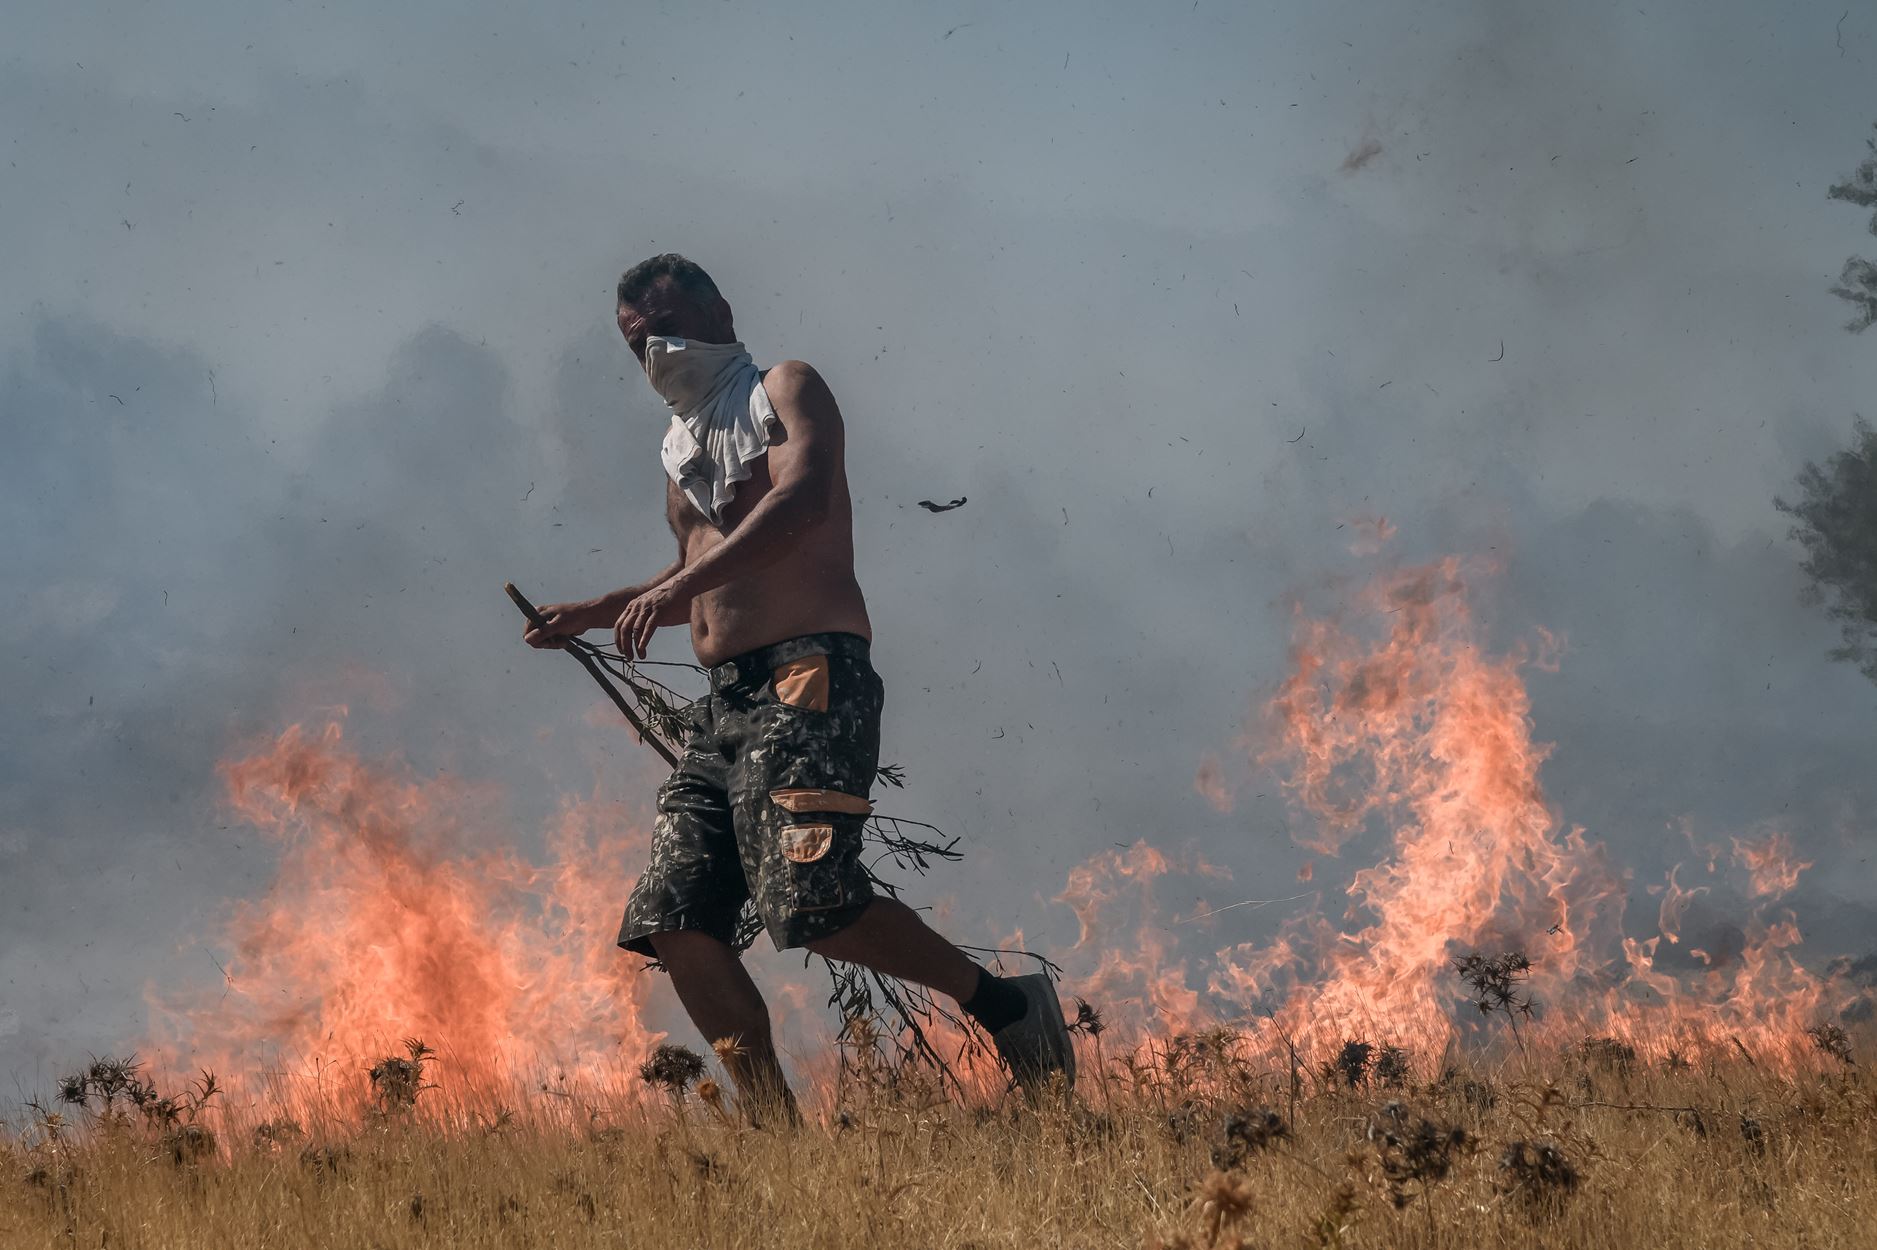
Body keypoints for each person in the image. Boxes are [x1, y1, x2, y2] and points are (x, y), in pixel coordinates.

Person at [524, 253, 1073, 1116]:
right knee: (673, 917)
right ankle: (773, 1133)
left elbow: (805, 500)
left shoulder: (784, 386)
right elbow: (696, 574)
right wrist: (598, 610)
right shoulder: (681, 451)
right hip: (724, 707)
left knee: (810, 897)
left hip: (807, 679)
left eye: (668, 325)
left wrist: (674, 589)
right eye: (637, 343)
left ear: (721, 310)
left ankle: (1008, 1007)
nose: (657, 351)